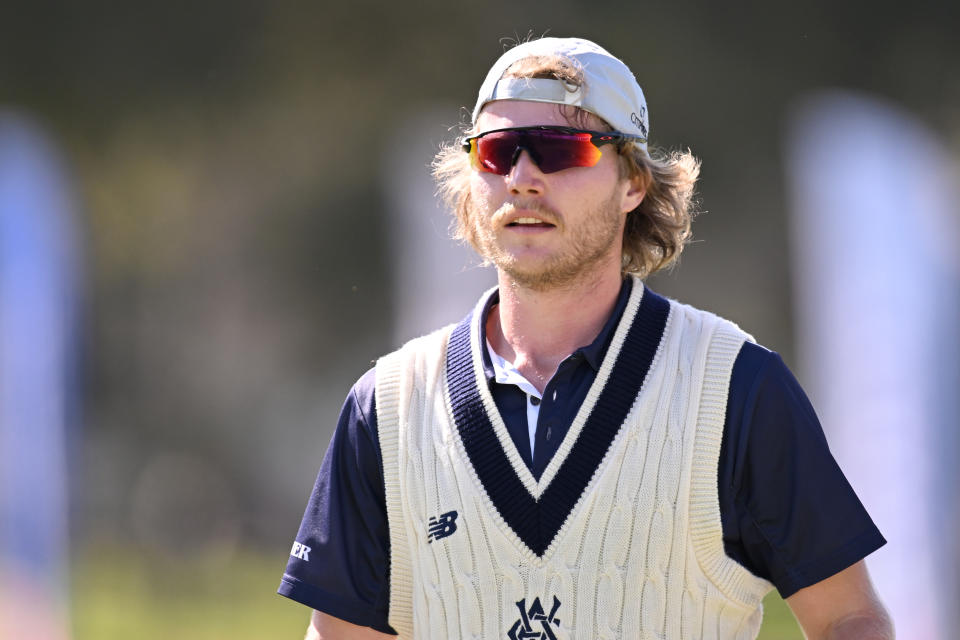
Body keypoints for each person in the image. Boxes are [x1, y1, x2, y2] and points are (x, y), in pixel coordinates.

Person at [278, 37, 892, 639]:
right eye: (496, 153)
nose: (521, 177)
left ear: (633, 183)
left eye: (558, 149)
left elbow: (849, 619)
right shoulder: (385, 406)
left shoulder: (733, 387)